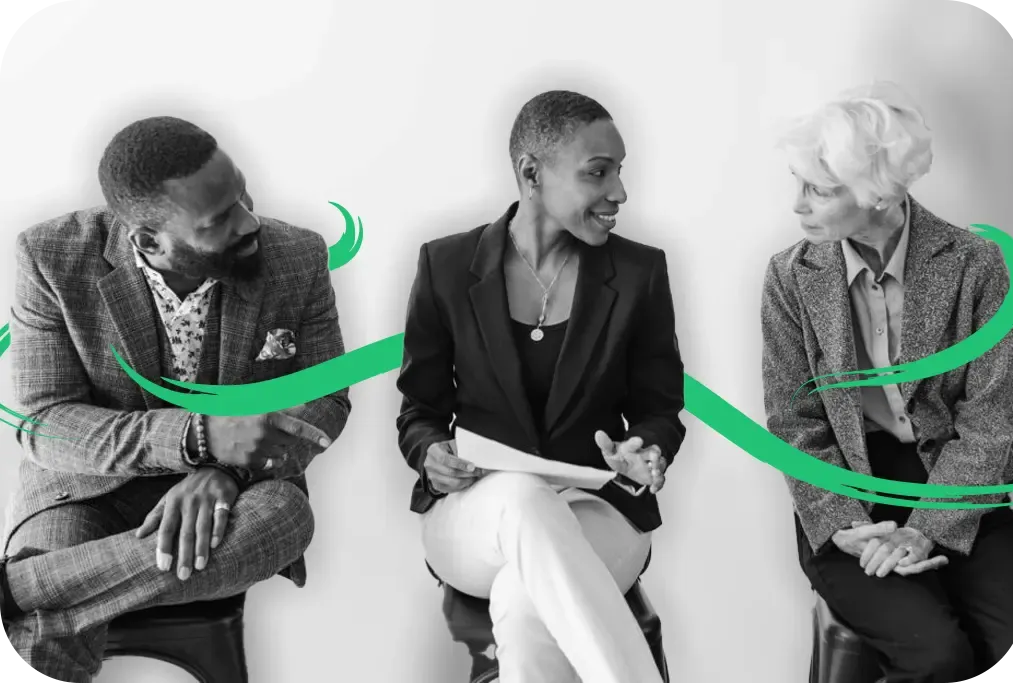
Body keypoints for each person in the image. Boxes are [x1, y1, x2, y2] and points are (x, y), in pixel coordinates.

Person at [0, 116, 351, 682]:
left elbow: (326, 399)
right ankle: (40, 589)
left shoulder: (297, 256)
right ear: (147, 240)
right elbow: (45, 422)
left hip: (238, 502)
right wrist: (198, 437)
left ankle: (17, 588)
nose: (250, 220)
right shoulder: (51, 256)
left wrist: (228, 472)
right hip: (81, 496)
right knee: (42, 631)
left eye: (241, 192)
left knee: (285, 517)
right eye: (219, 220)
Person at [396, 90, 685, 682]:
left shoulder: (639, 273)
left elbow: (660, 410)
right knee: (523, 496)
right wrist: (431, 454)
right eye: (596, 173)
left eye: (619, 171)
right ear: (531, 173)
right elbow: (419, 410)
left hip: (600, 513)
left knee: (525, 602)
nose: (619, 193)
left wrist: (646, 452)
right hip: (475, 515)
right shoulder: (446, 266)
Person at [761, 82, 1013, 682]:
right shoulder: (789, 277)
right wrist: (844, 525)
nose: (797, 205)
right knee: (937, 657)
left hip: (960, 484)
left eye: (819, 191)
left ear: (878, 195)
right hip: (849, 492)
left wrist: (928, 530)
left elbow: (988, 425)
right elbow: (793, 423)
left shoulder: (975, 264)